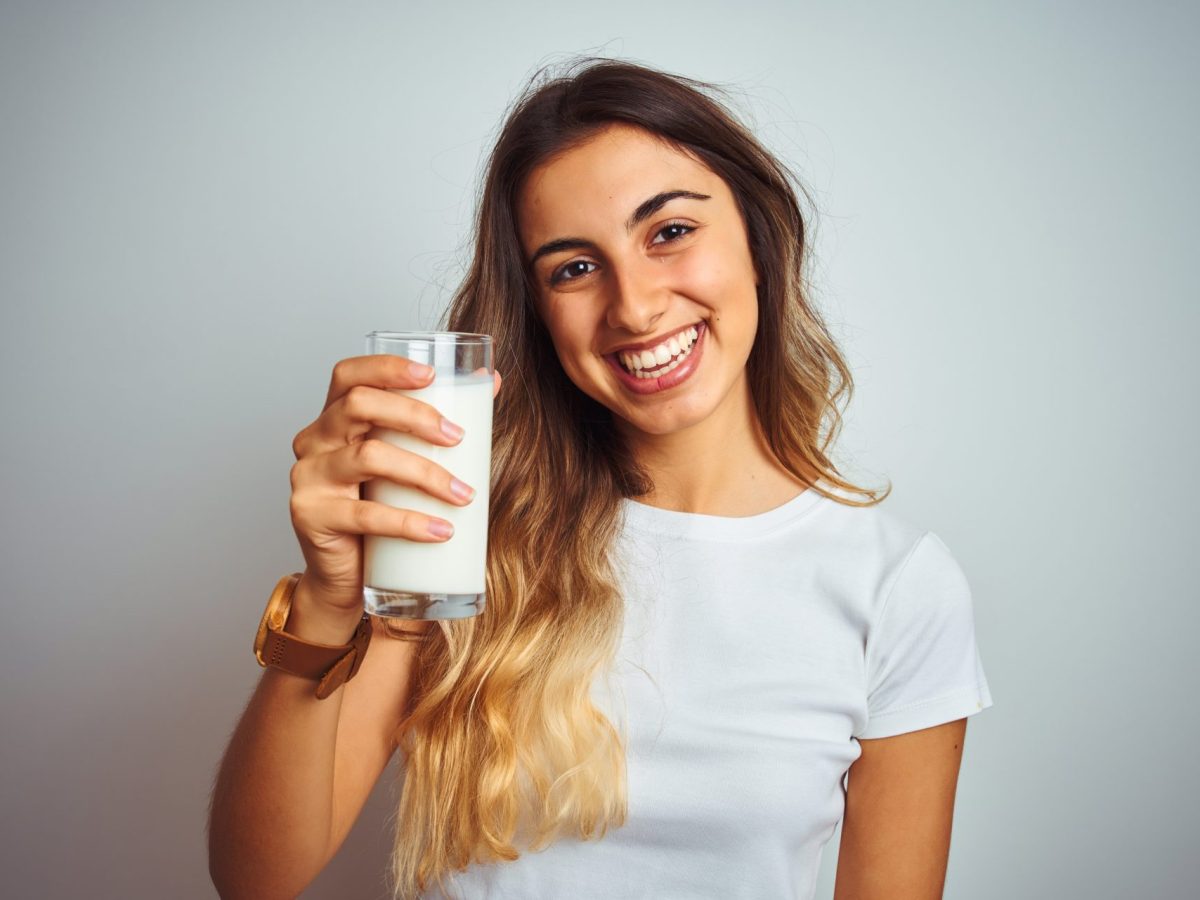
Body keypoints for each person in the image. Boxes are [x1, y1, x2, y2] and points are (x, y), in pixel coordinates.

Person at [207, 58, 993, 900]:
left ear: (759, 243)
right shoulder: (460, 532)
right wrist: (328, 603)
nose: (635, 307)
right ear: (539, 314)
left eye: (669, 232)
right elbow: (258, 880)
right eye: (574, 268)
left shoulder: (897, 585)